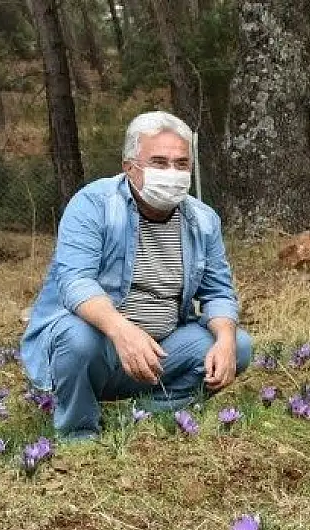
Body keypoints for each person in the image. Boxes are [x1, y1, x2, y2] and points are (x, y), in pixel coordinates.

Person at [21, 111, 252, 439]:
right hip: (100, 349)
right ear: (130, 166)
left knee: (238, 345)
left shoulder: (203, 220)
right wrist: (122, 330)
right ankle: (79, 433)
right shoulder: (93, 204)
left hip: (160, 353)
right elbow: (74, 281)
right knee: (76, 336)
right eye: (158, 162)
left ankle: (155, 413)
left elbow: (218, 292)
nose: (171, 173)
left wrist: (226, 340)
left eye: (181, 163)